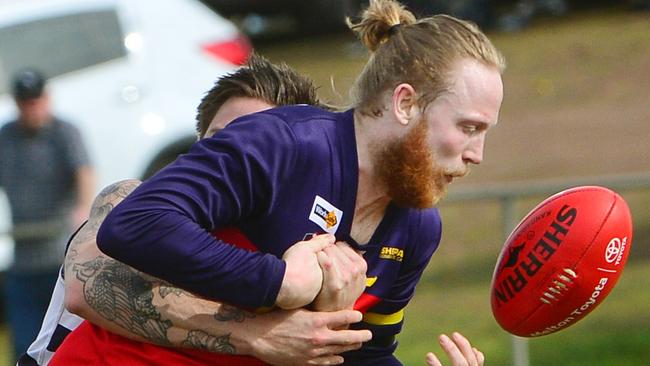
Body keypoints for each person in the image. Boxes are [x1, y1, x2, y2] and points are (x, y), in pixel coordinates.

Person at [67, 0, 506, 360]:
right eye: (469, 127)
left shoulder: (417, 227)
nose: (478, 154)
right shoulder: (285, 145)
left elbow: (359, 354)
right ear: (405, 103)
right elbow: (135, 223)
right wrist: (278, 280)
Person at [20, 54, 371, 366]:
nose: (237, 158)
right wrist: (257, 335)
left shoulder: (294, 257)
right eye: (222, 139)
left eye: (257, 148)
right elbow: (89, 290)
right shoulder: (131, 203)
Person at [0, 68, 95, 362]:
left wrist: (82, 209)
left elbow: (84, 172)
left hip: (61, 257)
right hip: (25, 256)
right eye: (26, 103)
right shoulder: (6, 137)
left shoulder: (65, 132)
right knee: (25, 347)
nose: (33, 109)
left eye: (37, 100)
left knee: (64, 347)